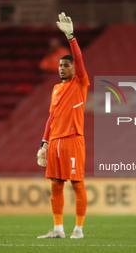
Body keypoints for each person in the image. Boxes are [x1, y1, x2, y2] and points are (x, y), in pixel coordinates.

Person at [36, 12, 89, 239]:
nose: (61, 68)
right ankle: (58, 229)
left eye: (66, 65)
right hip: (55, 143)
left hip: (73, 140)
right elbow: (51, 117)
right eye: (60, 66)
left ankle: (78, 229)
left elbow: (78, 59)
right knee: (56, 186)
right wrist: (44, 143)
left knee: (77, 184)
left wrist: (71, 37)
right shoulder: (56, 89)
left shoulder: (80, 83)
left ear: (74, 69)